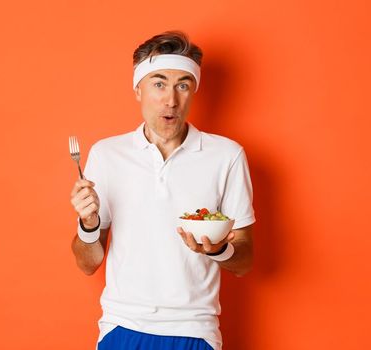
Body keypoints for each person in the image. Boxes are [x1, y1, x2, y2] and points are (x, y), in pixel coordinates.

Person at [69, 31, 255, 350]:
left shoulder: (227, 156)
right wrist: (87, 226)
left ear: (193, 91)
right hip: (122, 325)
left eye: (183, 85)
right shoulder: (106, 154)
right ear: (137, 90)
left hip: (195, 329)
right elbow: (88, 264)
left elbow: (245, 260)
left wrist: (217, 250)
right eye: (158, 83)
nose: (171, 99)